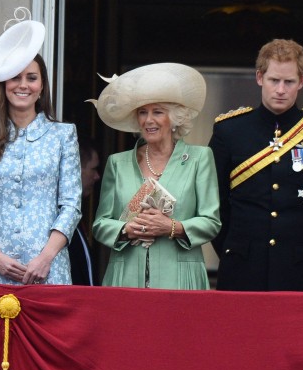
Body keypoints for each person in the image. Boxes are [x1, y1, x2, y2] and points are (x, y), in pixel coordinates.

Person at [208, 38, 303, 291]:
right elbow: (214, 202)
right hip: (240, 264)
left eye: (289, 82)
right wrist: (232, 248)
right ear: (260, 77)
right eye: (274, 80)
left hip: (299, 267)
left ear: (302, 82)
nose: (281, 89)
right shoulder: (229, 130)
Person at [0, 12, 80, 284]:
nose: (23, 85)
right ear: (3, 84)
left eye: (31, 78)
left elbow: (71, 205)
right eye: (15, 77)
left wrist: (45, 257)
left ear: (42, 86)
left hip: (49, 270)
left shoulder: (63, 135)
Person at [90, 63, 220, 289]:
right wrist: (126, 230)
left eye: (157, 112)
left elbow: (211, 222)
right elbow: (100, 224)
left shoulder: (200, 159)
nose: (148, 120)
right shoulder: (117, 163)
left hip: (181, 279)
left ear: (175, 118)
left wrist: (171, 227)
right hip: (126, 277)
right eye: (143, 112)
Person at [66, 132, 101, 285]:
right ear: (76, 170)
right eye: (93, 169)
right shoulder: (62, 220)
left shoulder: (75, 215)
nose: (97, 176)